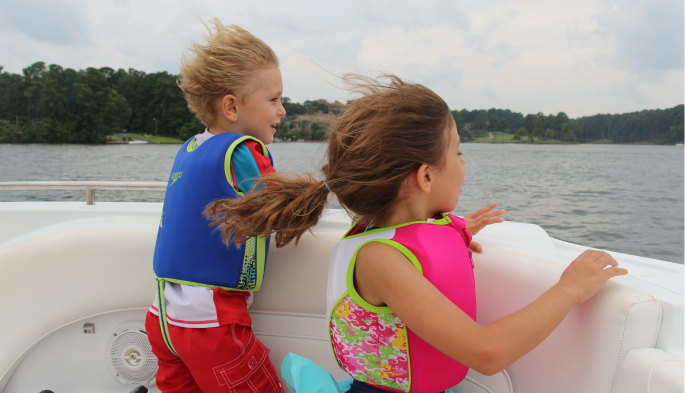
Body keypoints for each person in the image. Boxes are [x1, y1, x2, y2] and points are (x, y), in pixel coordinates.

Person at [205, 74, 627, 393]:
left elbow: (420, 235)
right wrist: (570, 288)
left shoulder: (378, 230)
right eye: (457, 151)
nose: (463, 163)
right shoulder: (379, 260)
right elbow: (486, 352)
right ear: (425, 176)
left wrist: (462, 231)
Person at [145, 19, 286, 393]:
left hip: (162, 316)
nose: (282, 110)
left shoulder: (191, 147)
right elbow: (284, 207)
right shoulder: (244, 152)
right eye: (273, 100)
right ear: (231, 106)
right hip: (211, 322)